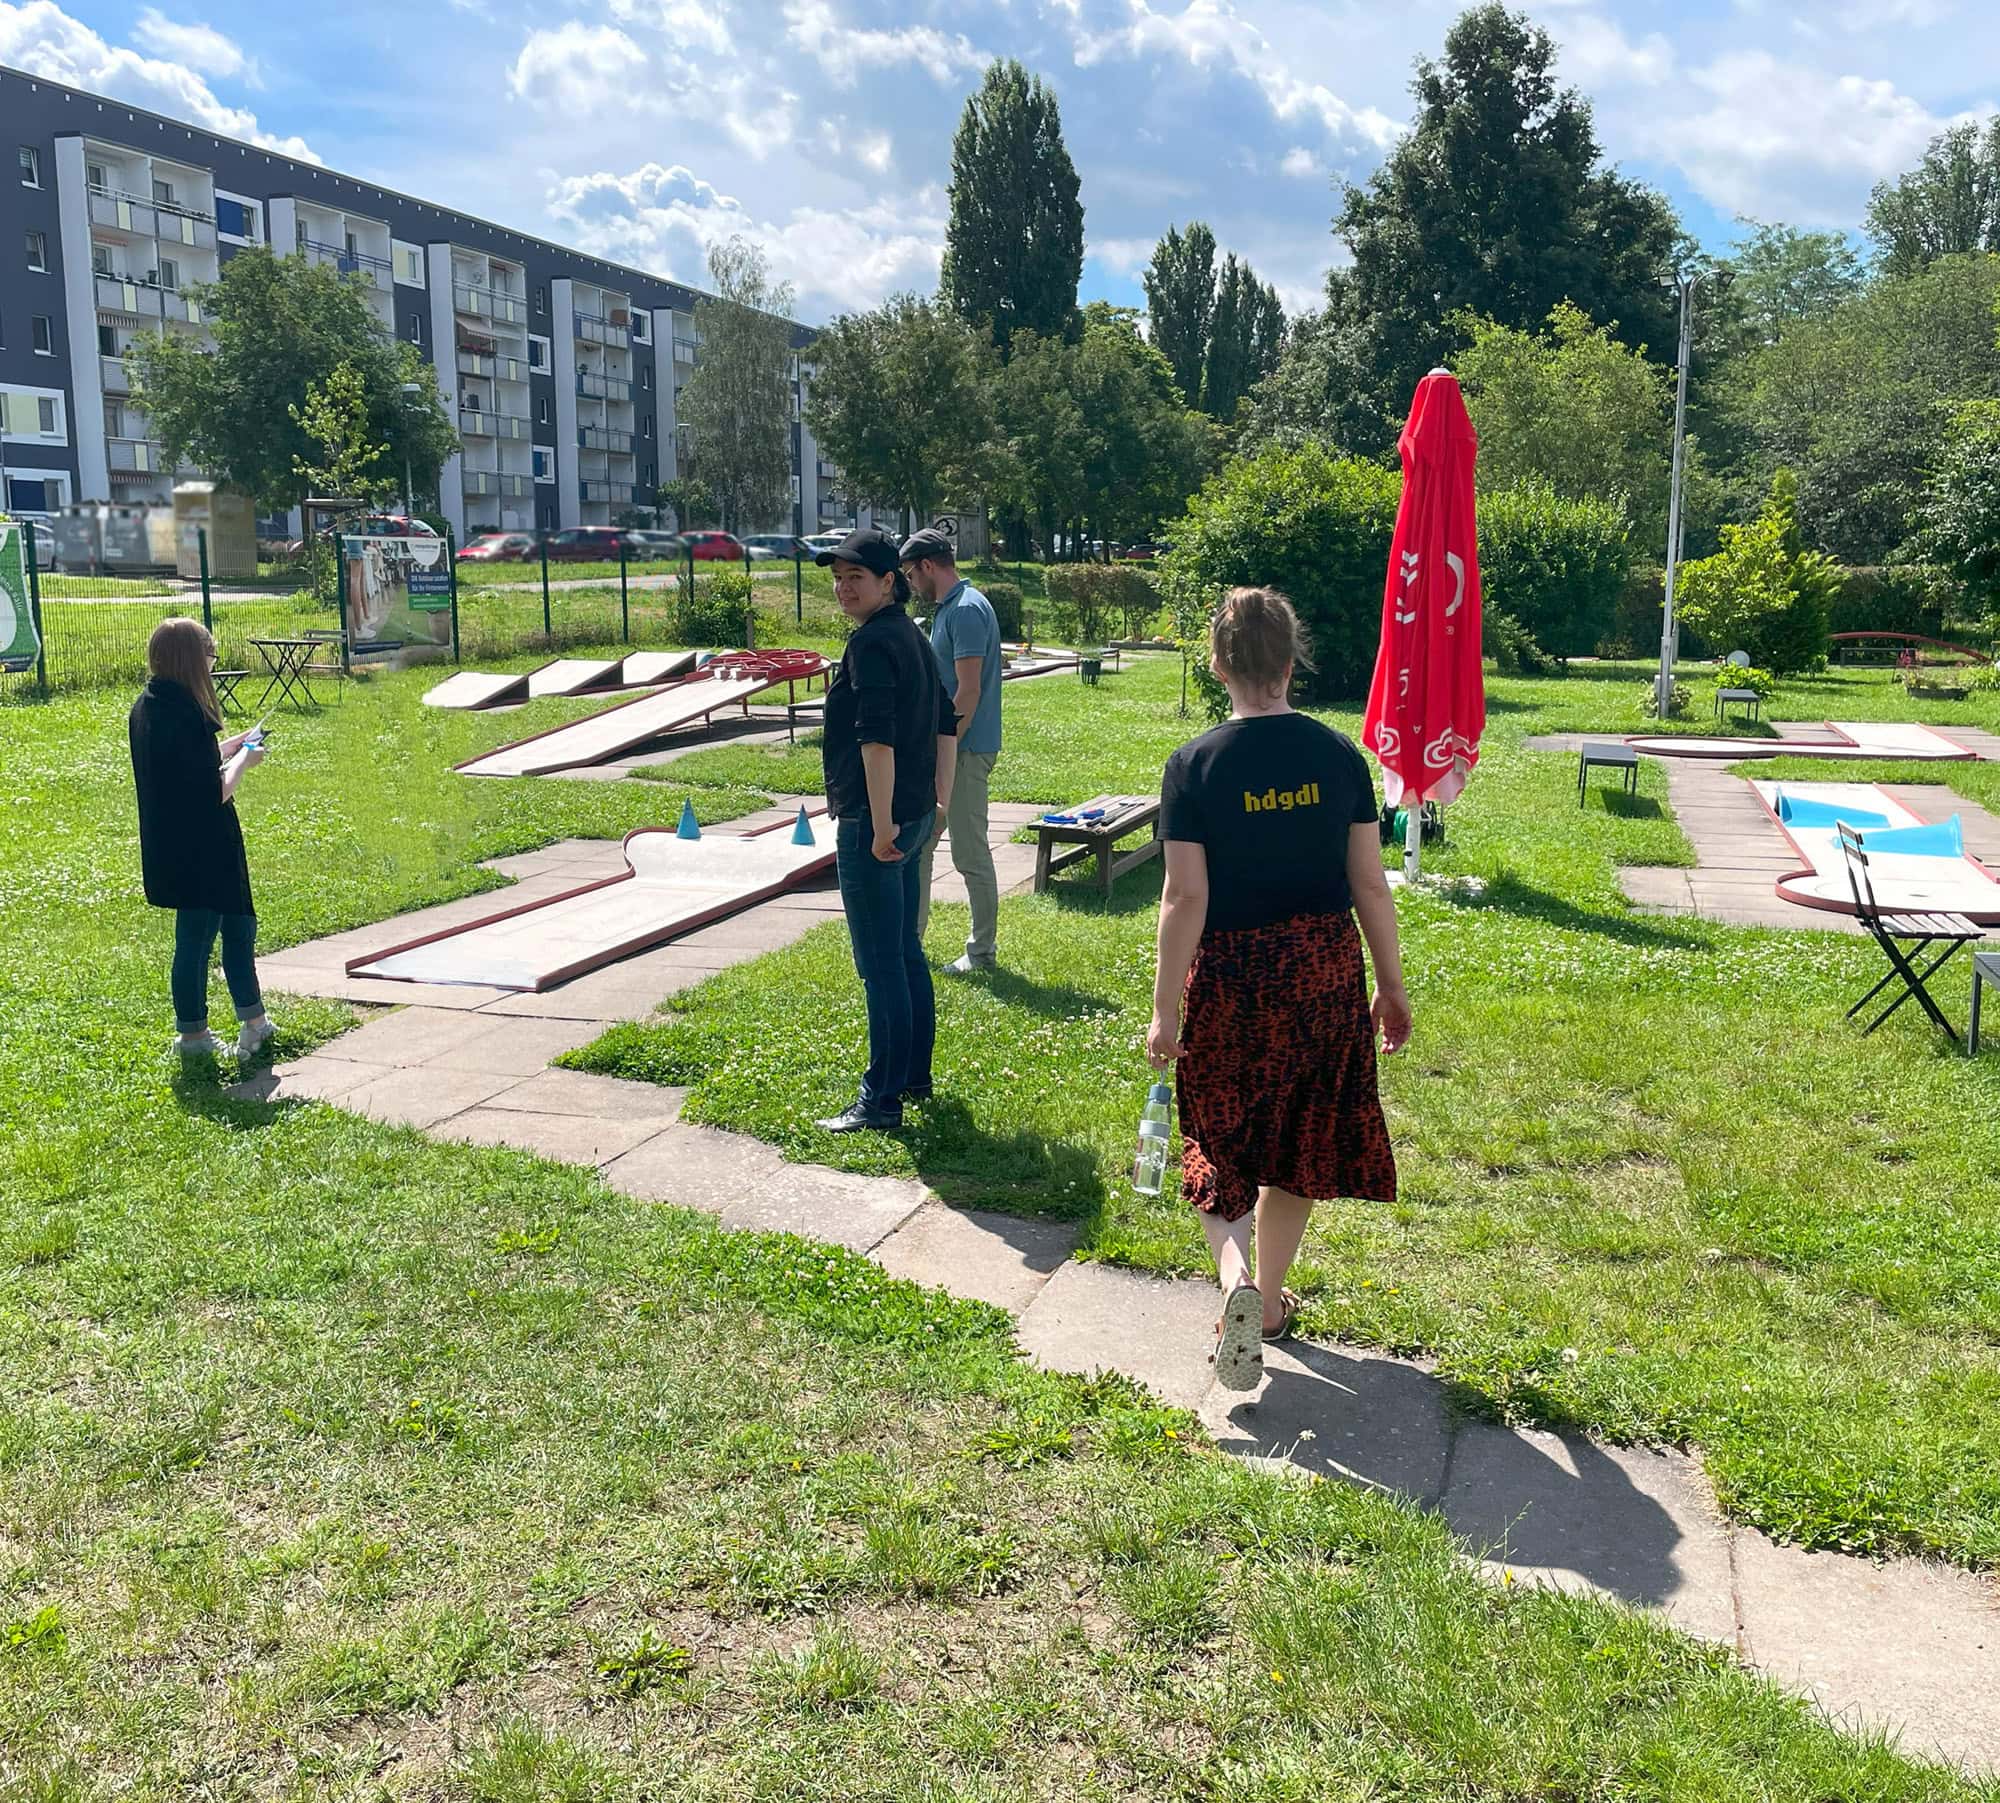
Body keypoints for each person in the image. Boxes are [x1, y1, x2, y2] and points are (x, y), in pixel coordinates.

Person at [1147, 587, 1411, 1391]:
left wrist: (1164, 1011)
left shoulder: (1192, 766)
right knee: (1301, 1136)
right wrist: (1391, 985)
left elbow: (1184, 897)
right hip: (1322, 969)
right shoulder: (1340, 758)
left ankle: (1235, 1280)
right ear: (1292, 662)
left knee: (1218, 1134)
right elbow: (1370, 883)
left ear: (1217, 664)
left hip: (1231, 974)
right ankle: (1265, 1306)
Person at [814, 527, 959, 1133]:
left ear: (888, 582)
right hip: (913, 813)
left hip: (878, 825)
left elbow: (876, 740)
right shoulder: (910, 634)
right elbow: (947, 719)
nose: (844, 589)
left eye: (857, 578)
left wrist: (879, 827)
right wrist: (940, 801)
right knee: (903, 952)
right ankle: (913, 1077)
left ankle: (881, 1099)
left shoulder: (873, 643)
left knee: (881, 963)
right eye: (838, 579)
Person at [129, 618, 277, 1061]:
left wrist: (231, 745)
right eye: (210, 654)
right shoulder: (186, 714)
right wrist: (245, 760)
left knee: (235, 927)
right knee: (199, 939)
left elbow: (186, 764)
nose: (213, 663)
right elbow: (214, 790)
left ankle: (254, 1022)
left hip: (177, 841)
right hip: (202, 844)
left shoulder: (149, 705)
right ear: (191, 659)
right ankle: (193, 1036)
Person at [902, 528, 1003, 972]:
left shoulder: (965, 611)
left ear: (927, 566)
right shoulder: (952, 608)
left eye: (910, 575)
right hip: (952, 749)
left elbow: (969, 692)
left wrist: (943, 750)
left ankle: (981, 953)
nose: (910, 585)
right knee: (923, 844)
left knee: (969, 853)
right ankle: (910, 943)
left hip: (965, 750)